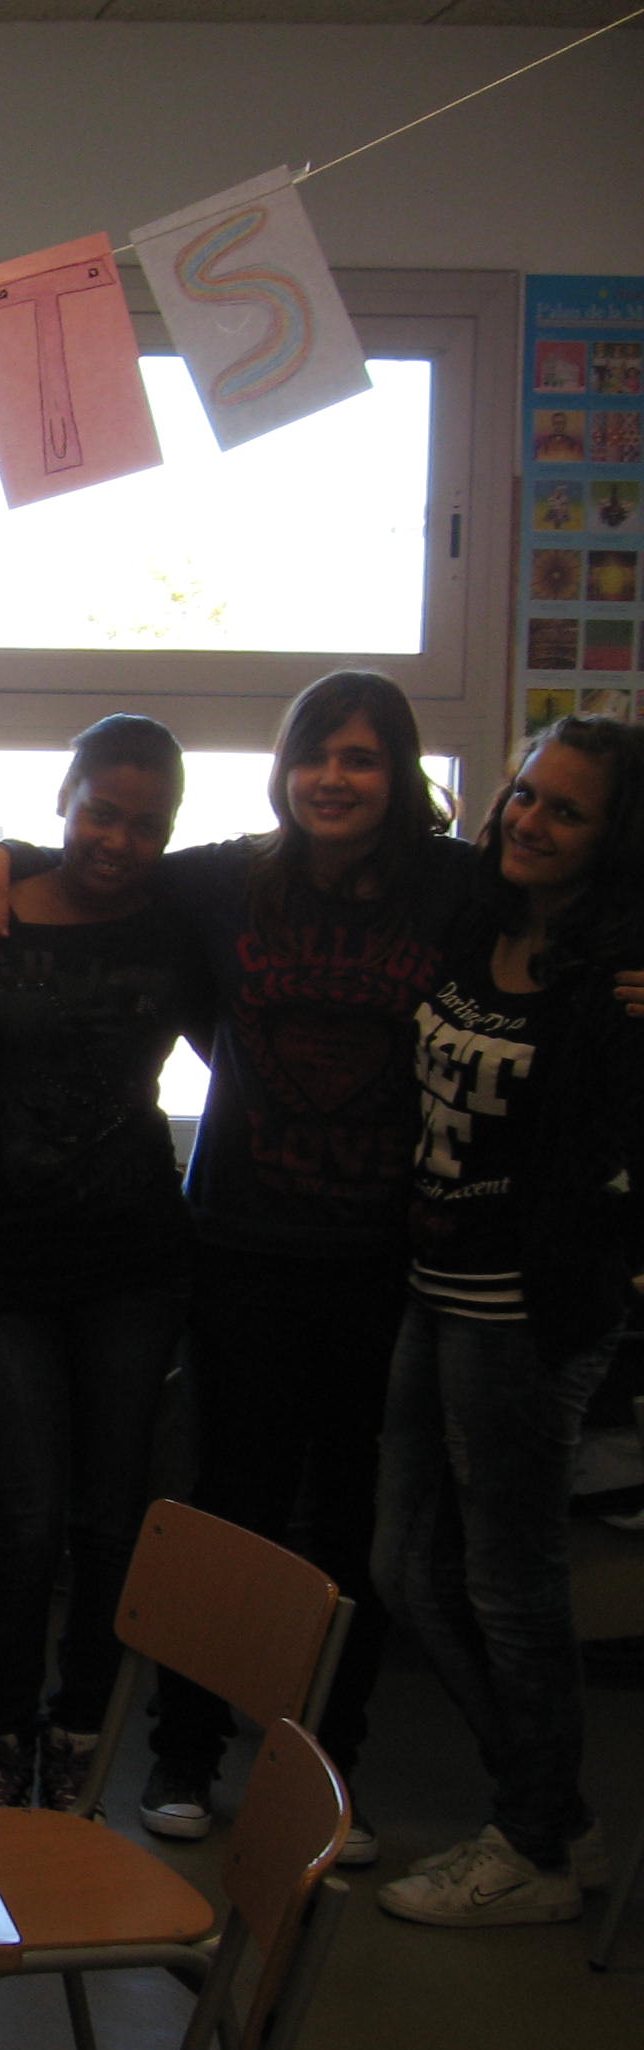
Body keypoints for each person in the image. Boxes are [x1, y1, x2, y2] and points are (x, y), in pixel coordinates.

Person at [0, 669, 473, 1862]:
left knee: (328, 1528)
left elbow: (559, 903)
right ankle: (164, 1751)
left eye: (361, 758)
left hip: (356, 1256)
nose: (332, 779)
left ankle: (310, 1766)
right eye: (313, 756)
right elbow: (88, 855)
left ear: (397, 776)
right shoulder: (227, 880)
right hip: (219, 1246)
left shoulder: (442, 886)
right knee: (199, 1511)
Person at [370, 716, 644, 1926]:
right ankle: (553, 1817)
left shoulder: (618, 973)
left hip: (525, 1317)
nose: (528, 820)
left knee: (507, 1584)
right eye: (525, 793)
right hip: (434, 1290)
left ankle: (532, 1843)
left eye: (564, 811)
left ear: (613, 838)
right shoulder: (474, 914)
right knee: (401, 1567)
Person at [0, 717, 208, 1809]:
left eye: (146, 826)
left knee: (110, 1519)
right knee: (25, 1518)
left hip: (132, 1260)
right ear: (63, 801)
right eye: (100, 814)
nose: (119, 842)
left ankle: (80, 1728)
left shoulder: (181, 924)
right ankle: (0, 1736)